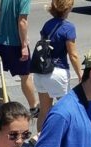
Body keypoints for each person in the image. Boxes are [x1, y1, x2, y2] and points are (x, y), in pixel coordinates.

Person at [32, 0, 82, 130]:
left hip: (41, 72)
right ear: (68, 8)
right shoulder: (68, 27)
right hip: (57, 72)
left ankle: (40, 139)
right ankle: (67, 140)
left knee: (44, 110)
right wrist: (80, 74)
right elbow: (73, 55)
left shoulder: (47, 24)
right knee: (68, 110)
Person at [0, 0, 37, 112]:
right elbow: (22, 21)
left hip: (1, 41)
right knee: (26, 76)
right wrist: (23, 45)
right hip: (15, 44)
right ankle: (34, 107)